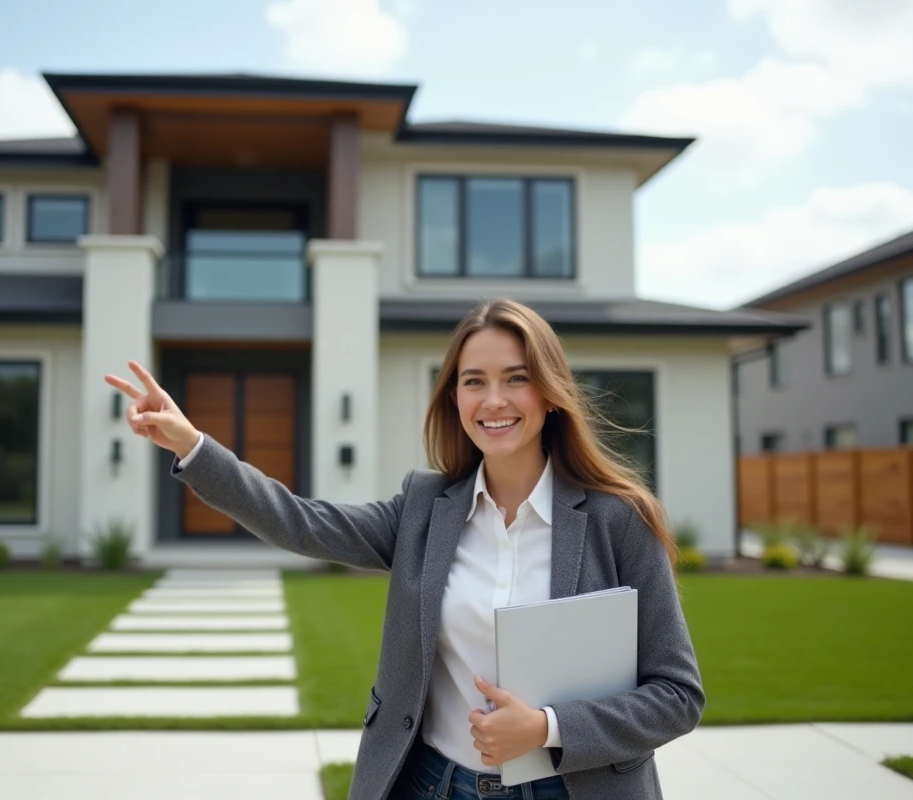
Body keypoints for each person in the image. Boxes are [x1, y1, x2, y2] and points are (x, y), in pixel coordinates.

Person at [105, 298, 704, 800]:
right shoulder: (425, 509)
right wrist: (193, 445)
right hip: (431, 783)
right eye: (474, 382)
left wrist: (547, 728)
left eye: (515, 379)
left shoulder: (618, 520)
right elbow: (301, 522)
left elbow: (677, 695)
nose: (493, 400)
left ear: (549, 394)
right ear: (455, 400)